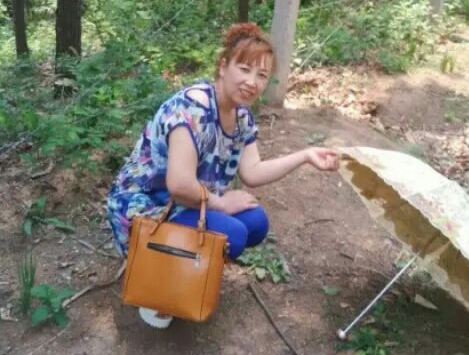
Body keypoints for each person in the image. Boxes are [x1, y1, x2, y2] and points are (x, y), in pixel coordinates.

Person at [107, 22, 339, 328]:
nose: (252, 82)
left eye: (262, 75)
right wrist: (221, 203)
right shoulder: (192, 109)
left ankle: (186, 264)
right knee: (234, 233)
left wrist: (305, 156)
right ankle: (158, 285)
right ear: (223, 66)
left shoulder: (241, 116)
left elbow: (252, 172)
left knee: (255, 223)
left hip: (187, 203)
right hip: (147, 208)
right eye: (244, 69)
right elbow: (179, 185)